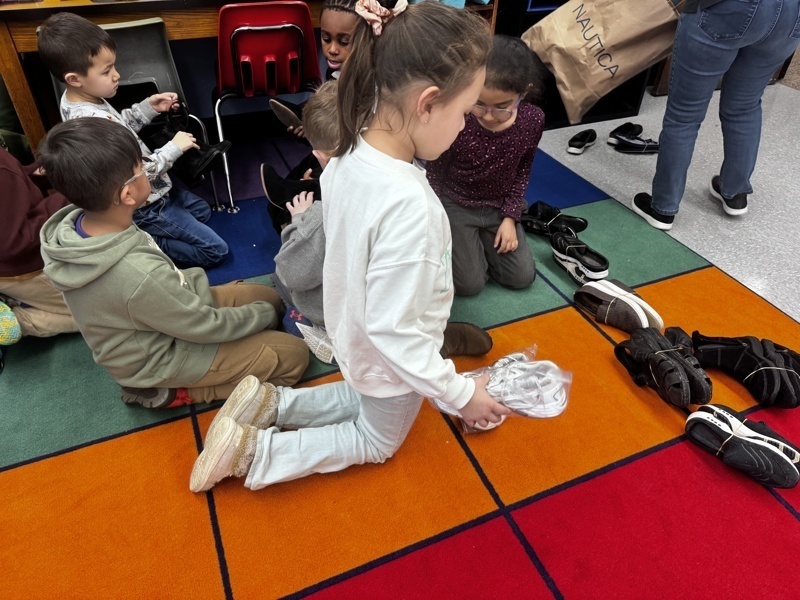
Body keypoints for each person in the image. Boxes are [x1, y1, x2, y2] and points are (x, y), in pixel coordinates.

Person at [189, 0, 510, 493]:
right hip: (390, 353)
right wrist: (461, 394)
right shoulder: (411, 206)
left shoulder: (348, 153)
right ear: (426, 103)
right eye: (465, 111)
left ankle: (273, 405)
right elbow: (397, 332)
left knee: (365, 397)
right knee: (374, 438)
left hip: (352, 332)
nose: (466, 126)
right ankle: (254, 451)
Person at [38, 118, 309, 409]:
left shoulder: (87, 222)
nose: (147, 168)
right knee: (292, 355)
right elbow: (200, 325)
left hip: (159, 316)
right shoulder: (137, 273)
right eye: (140, 166)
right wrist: (261, 318)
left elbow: (162, 292)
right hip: (158, 357)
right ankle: (172, 392)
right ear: (127, 194)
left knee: (269, 297)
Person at [272, 82, 494, 364]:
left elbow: (293, 273)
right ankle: (433, 338)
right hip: (408, 310)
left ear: (320, 157)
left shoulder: (324, 215)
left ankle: (345, 344)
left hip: (360, 321)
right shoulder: (407, 181)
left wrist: (298, 221)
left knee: (280, 280)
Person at [38, 12, 229, 268]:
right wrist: (173, 149)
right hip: (142, 202)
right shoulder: (90, 121)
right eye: (107, 71)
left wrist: (148, 107)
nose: (117, 75)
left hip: (157, 192)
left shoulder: (79, 99)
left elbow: (120, 126)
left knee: (201, 212)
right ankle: (146, 242)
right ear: (75, 79)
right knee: (216, 251)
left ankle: (155, 227)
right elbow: (130, 175)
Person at [632, 0, 800, 230]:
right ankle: (735, 192)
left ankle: (663, 207)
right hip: (792, 13)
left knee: (684, 114)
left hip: (731, 7)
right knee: (745, 106)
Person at [425, 34, 543, 296]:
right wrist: (434, 218)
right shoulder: (460, 119)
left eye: (502, 108)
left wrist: (511, 216)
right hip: (456, 204)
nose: (489, 116)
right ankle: (469, 243)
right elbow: (435, 169)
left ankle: (480, 242)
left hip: (498, 207)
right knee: (470, 285)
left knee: (522, 277)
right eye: (479, 104)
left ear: (523, 93)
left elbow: (523, 169)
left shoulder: (533, 120)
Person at [0, 148, 78, 344]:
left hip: (12, 261)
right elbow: (13, 243)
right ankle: (20, 321)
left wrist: (35, 172)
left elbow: (11, 182)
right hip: (20, 267)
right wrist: (66, 199)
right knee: (105, 312)